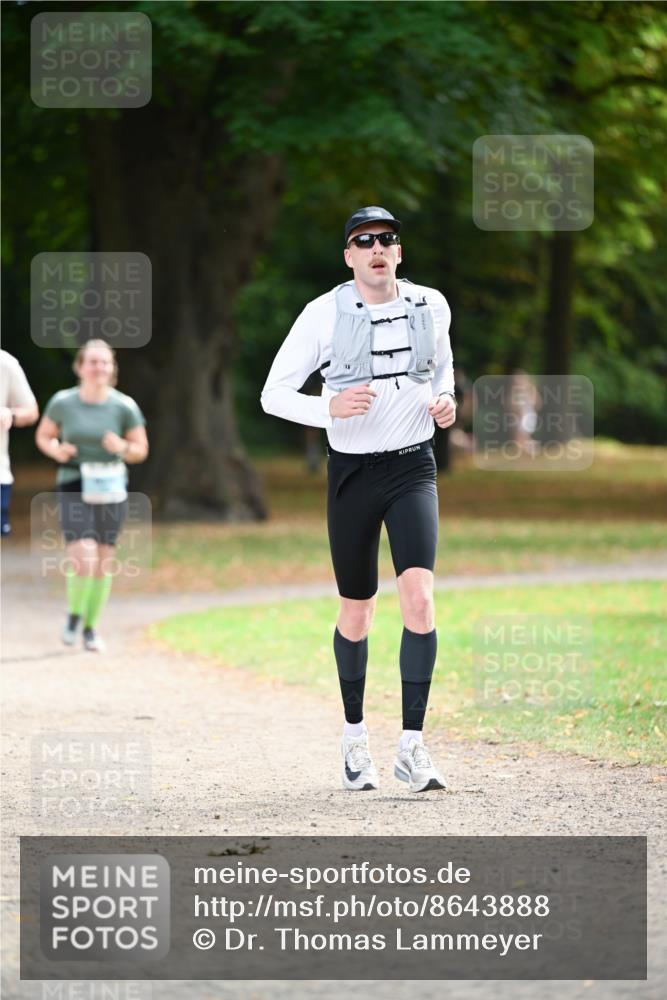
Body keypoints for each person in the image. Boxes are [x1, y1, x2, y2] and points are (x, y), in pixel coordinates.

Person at [261, 206, 456, 792]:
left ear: (399, 251)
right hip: (351, 474)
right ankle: (354, 739)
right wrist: (328, 408)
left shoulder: (431, 305)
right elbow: (273, 394)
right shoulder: (322, 313)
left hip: (413, 467)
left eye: (386, 240)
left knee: (419, 599)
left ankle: (413, 747)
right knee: (358, 610)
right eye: (363, 240)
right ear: (348, 255)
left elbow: (442, 372)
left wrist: (445, 402)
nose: (376, 248)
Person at [35, 339, 148, 652]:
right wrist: (57, 450)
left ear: (112, 368)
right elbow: (44, 435)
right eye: (93, 362)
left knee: (102, 560)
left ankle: (90, 627)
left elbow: (141, 450)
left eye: (105, 362)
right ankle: (73, 615)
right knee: (82, 554)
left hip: (111, 485)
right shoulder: (63, 402)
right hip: (74, 482)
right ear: (80, 367)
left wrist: (123, 447)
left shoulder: (124, 406)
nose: (99, 368)